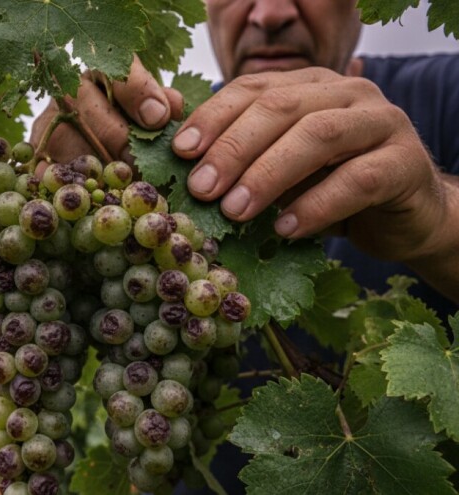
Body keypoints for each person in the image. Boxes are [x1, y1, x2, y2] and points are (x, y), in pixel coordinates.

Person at [31, 0, 459, 492]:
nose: (270, 13)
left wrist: (440, 217)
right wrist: (69, 220)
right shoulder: (159, 140)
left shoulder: (448, 93)